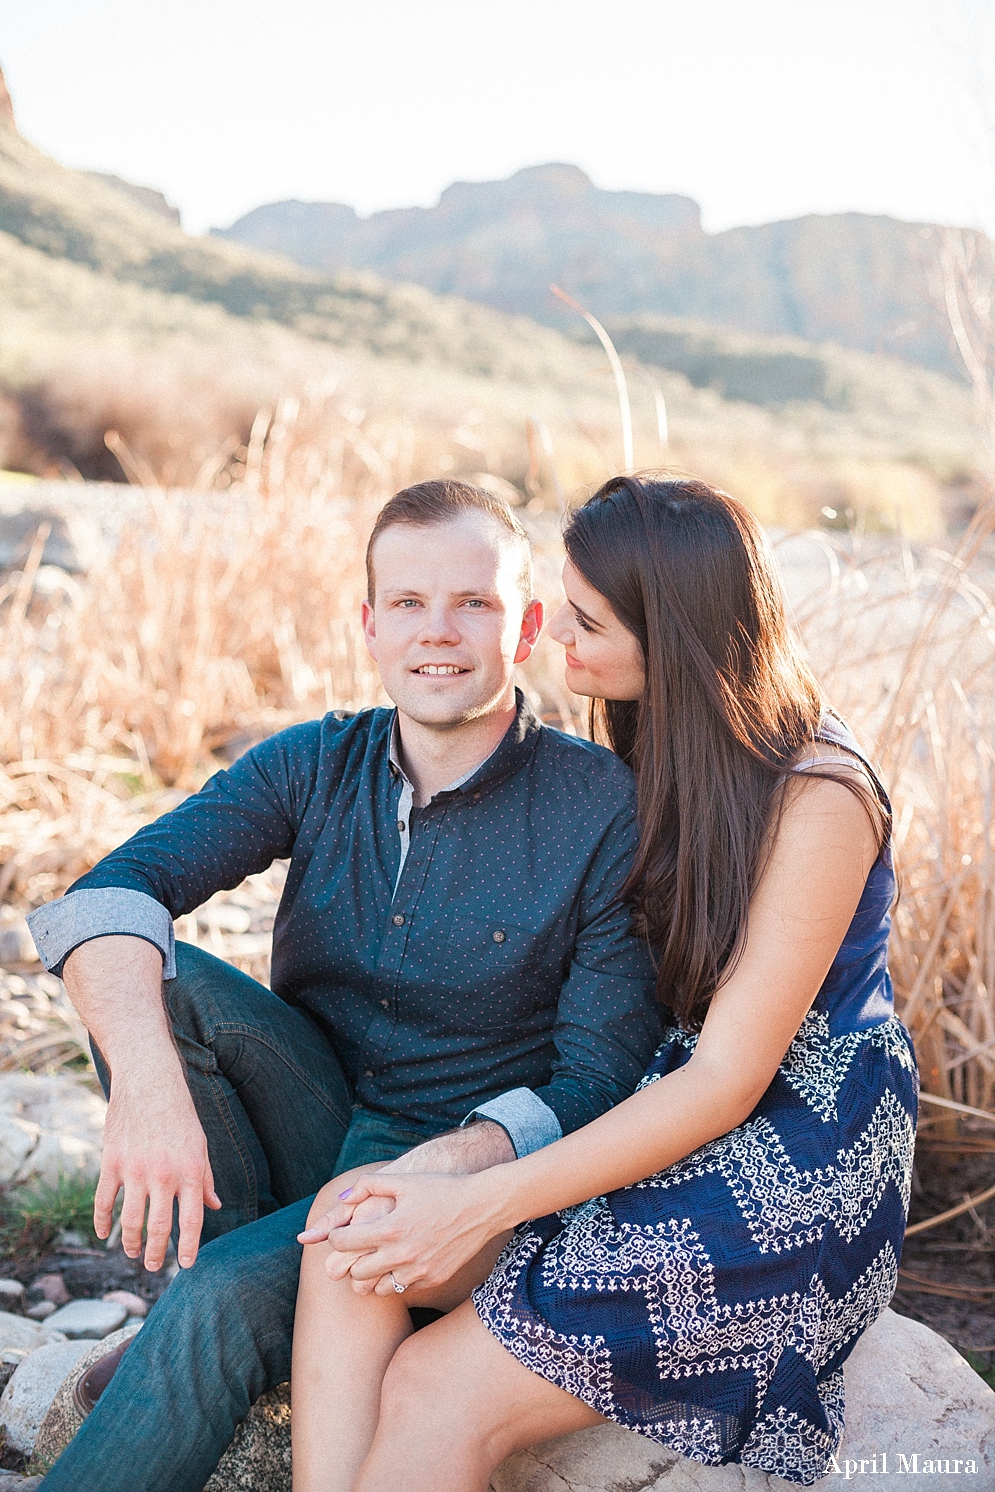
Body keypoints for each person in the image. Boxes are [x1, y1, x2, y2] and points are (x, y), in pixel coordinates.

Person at [25, 480, 663, 1492]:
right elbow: (108, 895)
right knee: (160, 976)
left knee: (220, 1299)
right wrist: (145, 1087)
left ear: (527, 624)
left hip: (461, 1188)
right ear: (369, 627)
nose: (436, 633)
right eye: (406, 604)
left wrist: (442, 1171)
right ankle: (247, 1304)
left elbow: (597, 1078)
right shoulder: (316, 761)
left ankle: (226, 1312)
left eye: (474, 602)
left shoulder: (601, 810)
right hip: (313, 1111)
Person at [292, 474, 918, 1491]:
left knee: (436, 1387)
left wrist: (481, 1201)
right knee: (352, 1232)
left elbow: (726, 1078)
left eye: (582, 620)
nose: (552, 642)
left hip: (791, 1152)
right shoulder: (661, 741)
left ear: (665, 632)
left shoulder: (819, 792)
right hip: (665, 1104)